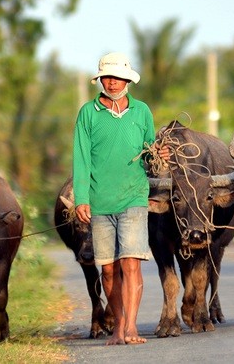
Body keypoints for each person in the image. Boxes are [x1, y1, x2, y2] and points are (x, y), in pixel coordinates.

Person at [72, 52, 168, 345]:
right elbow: (81, 158)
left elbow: (149, 153)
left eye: (118, 77)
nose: (113, 82)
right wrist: (81, 199)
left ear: (128, 80)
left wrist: (158, 156)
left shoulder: (142, 112)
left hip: (134, 197)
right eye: (107, 77)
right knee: (109, 270)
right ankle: (117, 327)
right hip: (100, 200)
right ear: (100, 80)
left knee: (131, 264)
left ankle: (131, 327)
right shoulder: (88, 113)